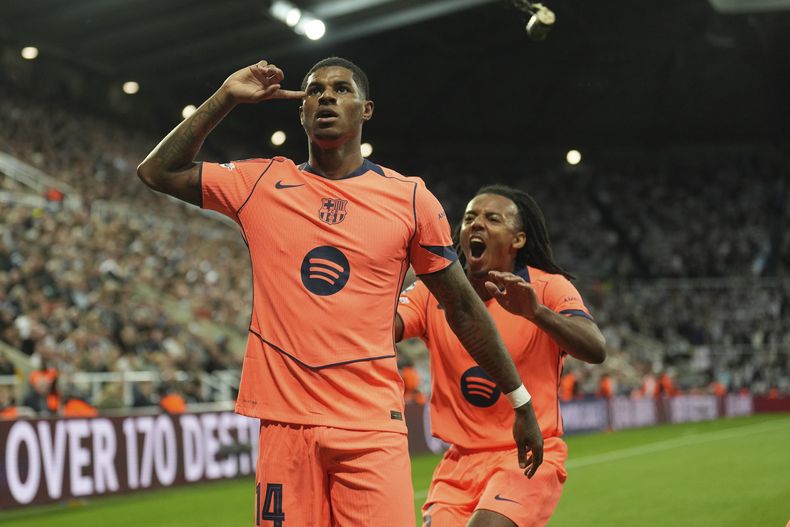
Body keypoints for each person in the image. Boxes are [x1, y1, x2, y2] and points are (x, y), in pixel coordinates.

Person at [137, 57, 544, 526]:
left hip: (370, 425)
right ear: (301, 111)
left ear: (366, 109)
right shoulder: (261, 182)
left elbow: (463, 307)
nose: (326, 96)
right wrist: (226, 96)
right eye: (314, 91)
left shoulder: (410, 198)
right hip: (286, 425)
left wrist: (520, 401)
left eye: (341, 89)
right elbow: (157, 172)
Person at [396, 185, 606, 526]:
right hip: (458, 463)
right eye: (469, 218)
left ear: (518, 239)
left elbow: (595, 349)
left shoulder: (546, 287)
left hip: (525, 456)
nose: (477, 224)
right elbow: (383, 328)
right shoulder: (430, 292)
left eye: (492, 218)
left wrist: (537, 313)